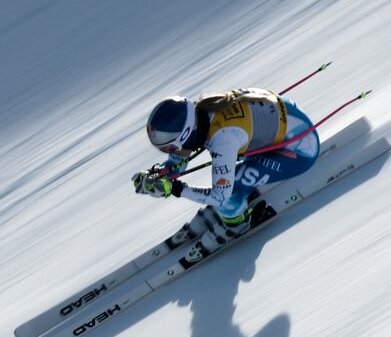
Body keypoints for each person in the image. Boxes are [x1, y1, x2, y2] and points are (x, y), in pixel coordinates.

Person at [132, 88, 320, 250]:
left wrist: (176, 189)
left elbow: (219, 196)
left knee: (231, 192)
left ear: (188, 134)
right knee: (232, 176)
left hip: (300, 151)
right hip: (286, 127)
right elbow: (181, 153)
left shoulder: (224, 139)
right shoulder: (203, 110)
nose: (171, 153)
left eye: (169, 148)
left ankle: (237, 225)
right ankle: (241, 198)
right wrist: (161, 175)